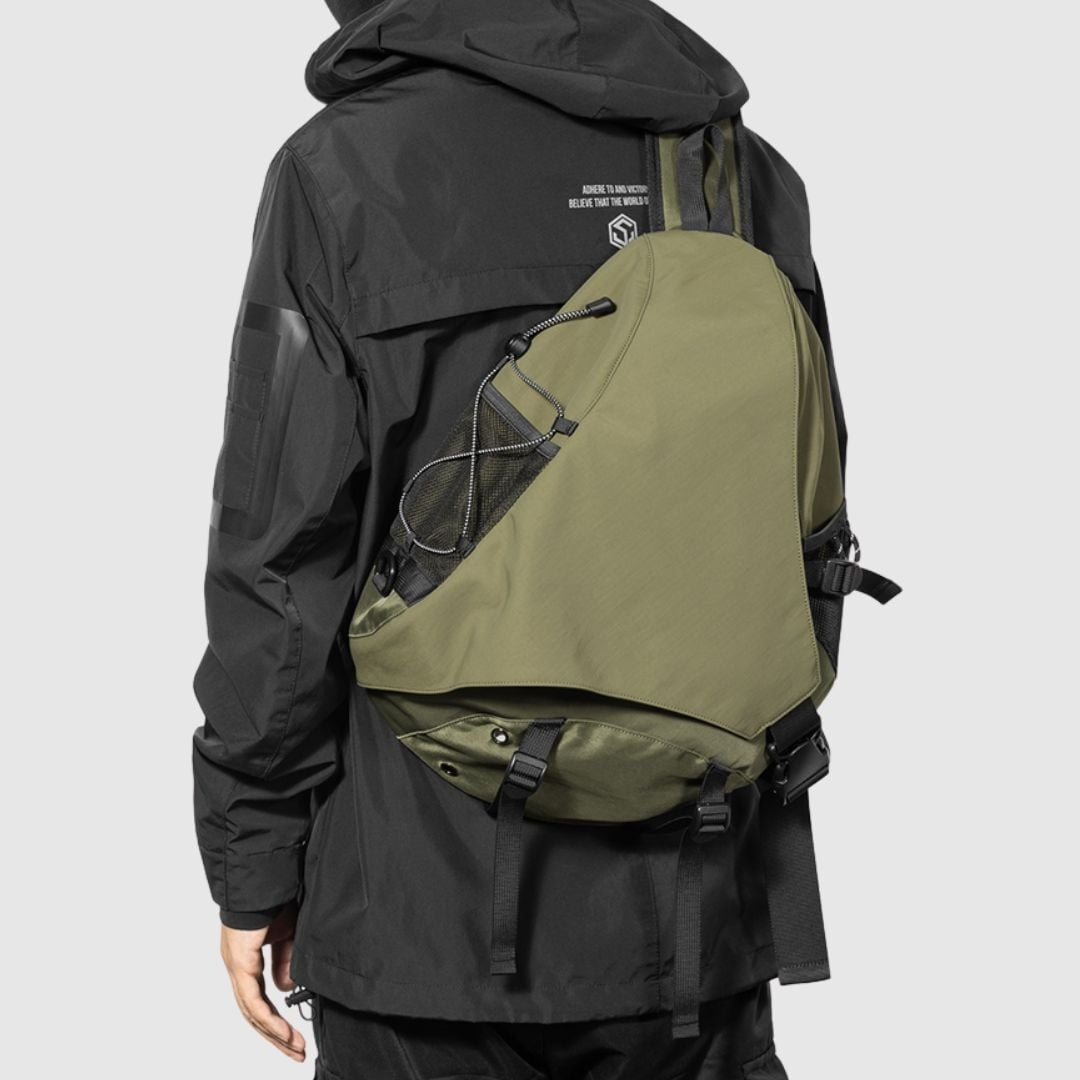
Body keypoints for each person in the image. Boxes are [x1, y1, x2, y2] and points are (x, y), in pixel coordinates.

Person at [193, 2, 834, 1076]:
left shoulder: (344, 170)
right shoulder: (741, 171)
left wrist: (253, 856)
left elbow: (282, 556)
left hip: (422, 911)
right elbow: (799, 514)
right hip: (696, 897)